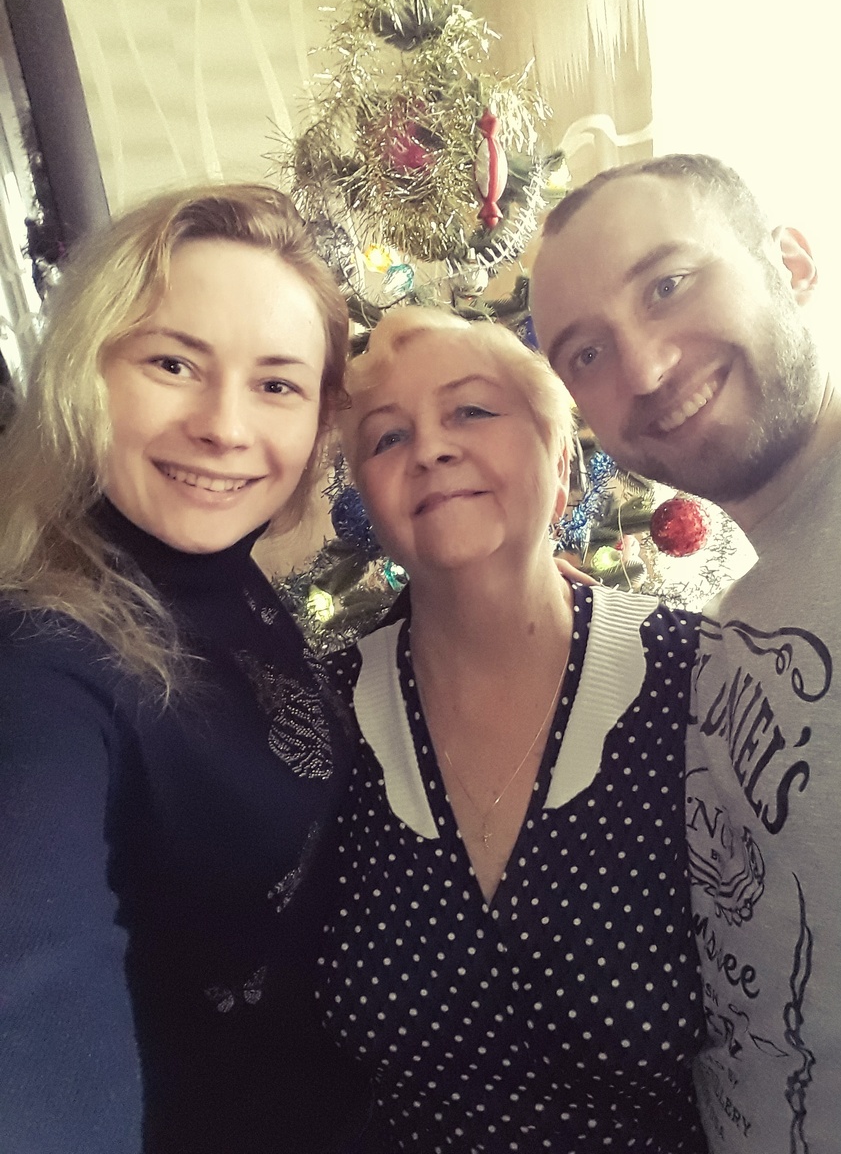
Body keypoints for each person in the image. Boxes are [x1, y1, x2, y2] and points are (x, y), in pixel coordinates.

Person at [529, 153, 841, 1153]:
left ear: (793, 263)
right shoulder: (737, 613)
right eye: (585, 354)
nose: (646, 369)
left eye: (668, 284)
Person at [0, 184, 369, 1153]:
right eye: (173, 363)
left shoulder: (216, 573)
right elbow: (33, 994)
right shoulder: (43, 664)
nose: (224, 426)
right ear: (86, 369)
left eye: (277, 385)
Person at [315, 306, 709, 1152]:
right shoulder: (321, 720)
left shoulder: (699, 680)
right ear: (369, 502)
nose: (429, 449)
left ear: (559, 461)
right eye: (388, 438)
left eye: (471, 411)